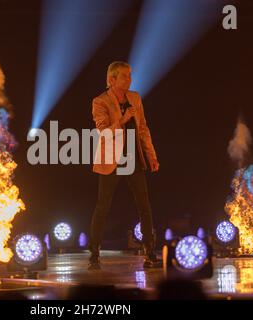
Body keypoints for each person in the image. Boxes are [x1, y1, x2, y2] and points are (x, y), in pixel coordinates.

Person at [88, 61, 160, 270]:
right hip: (111, 158)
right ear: (112, 79)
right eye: (125, 76)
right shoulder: (100, 101)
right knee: (103, 206)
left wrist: (151, 156)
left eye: (130, 75)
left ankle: (150, 251)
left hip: (133, 157)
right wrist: (122, 118)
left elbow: (143, 129)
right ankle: (94, 254)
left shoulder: (135, 98)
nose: (129, 79)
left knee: (144, 205)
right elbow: (103, 132)